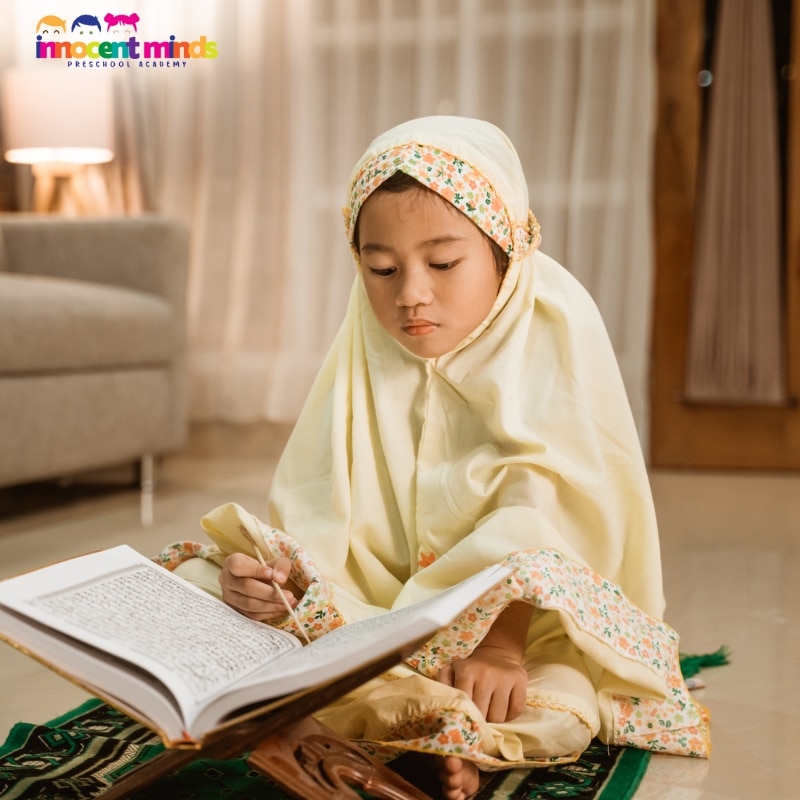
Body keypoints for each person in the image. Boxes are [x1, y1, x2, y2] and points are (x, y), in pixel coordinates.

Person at [160, 116, 710, 800]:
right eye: (381, 268)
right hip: (376, 616)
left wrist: (501, 647)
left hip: (520, 635)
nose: (409, 294)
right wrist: (274, 581)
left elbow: (546, 523)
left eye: (443, 264)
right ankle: (412, 725)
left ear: (505, 249)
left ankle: (450, 739)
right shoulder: (362, 346)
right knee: (198, 580)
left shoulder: (552, 332)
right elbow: (321, 506)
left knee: (558, 701)